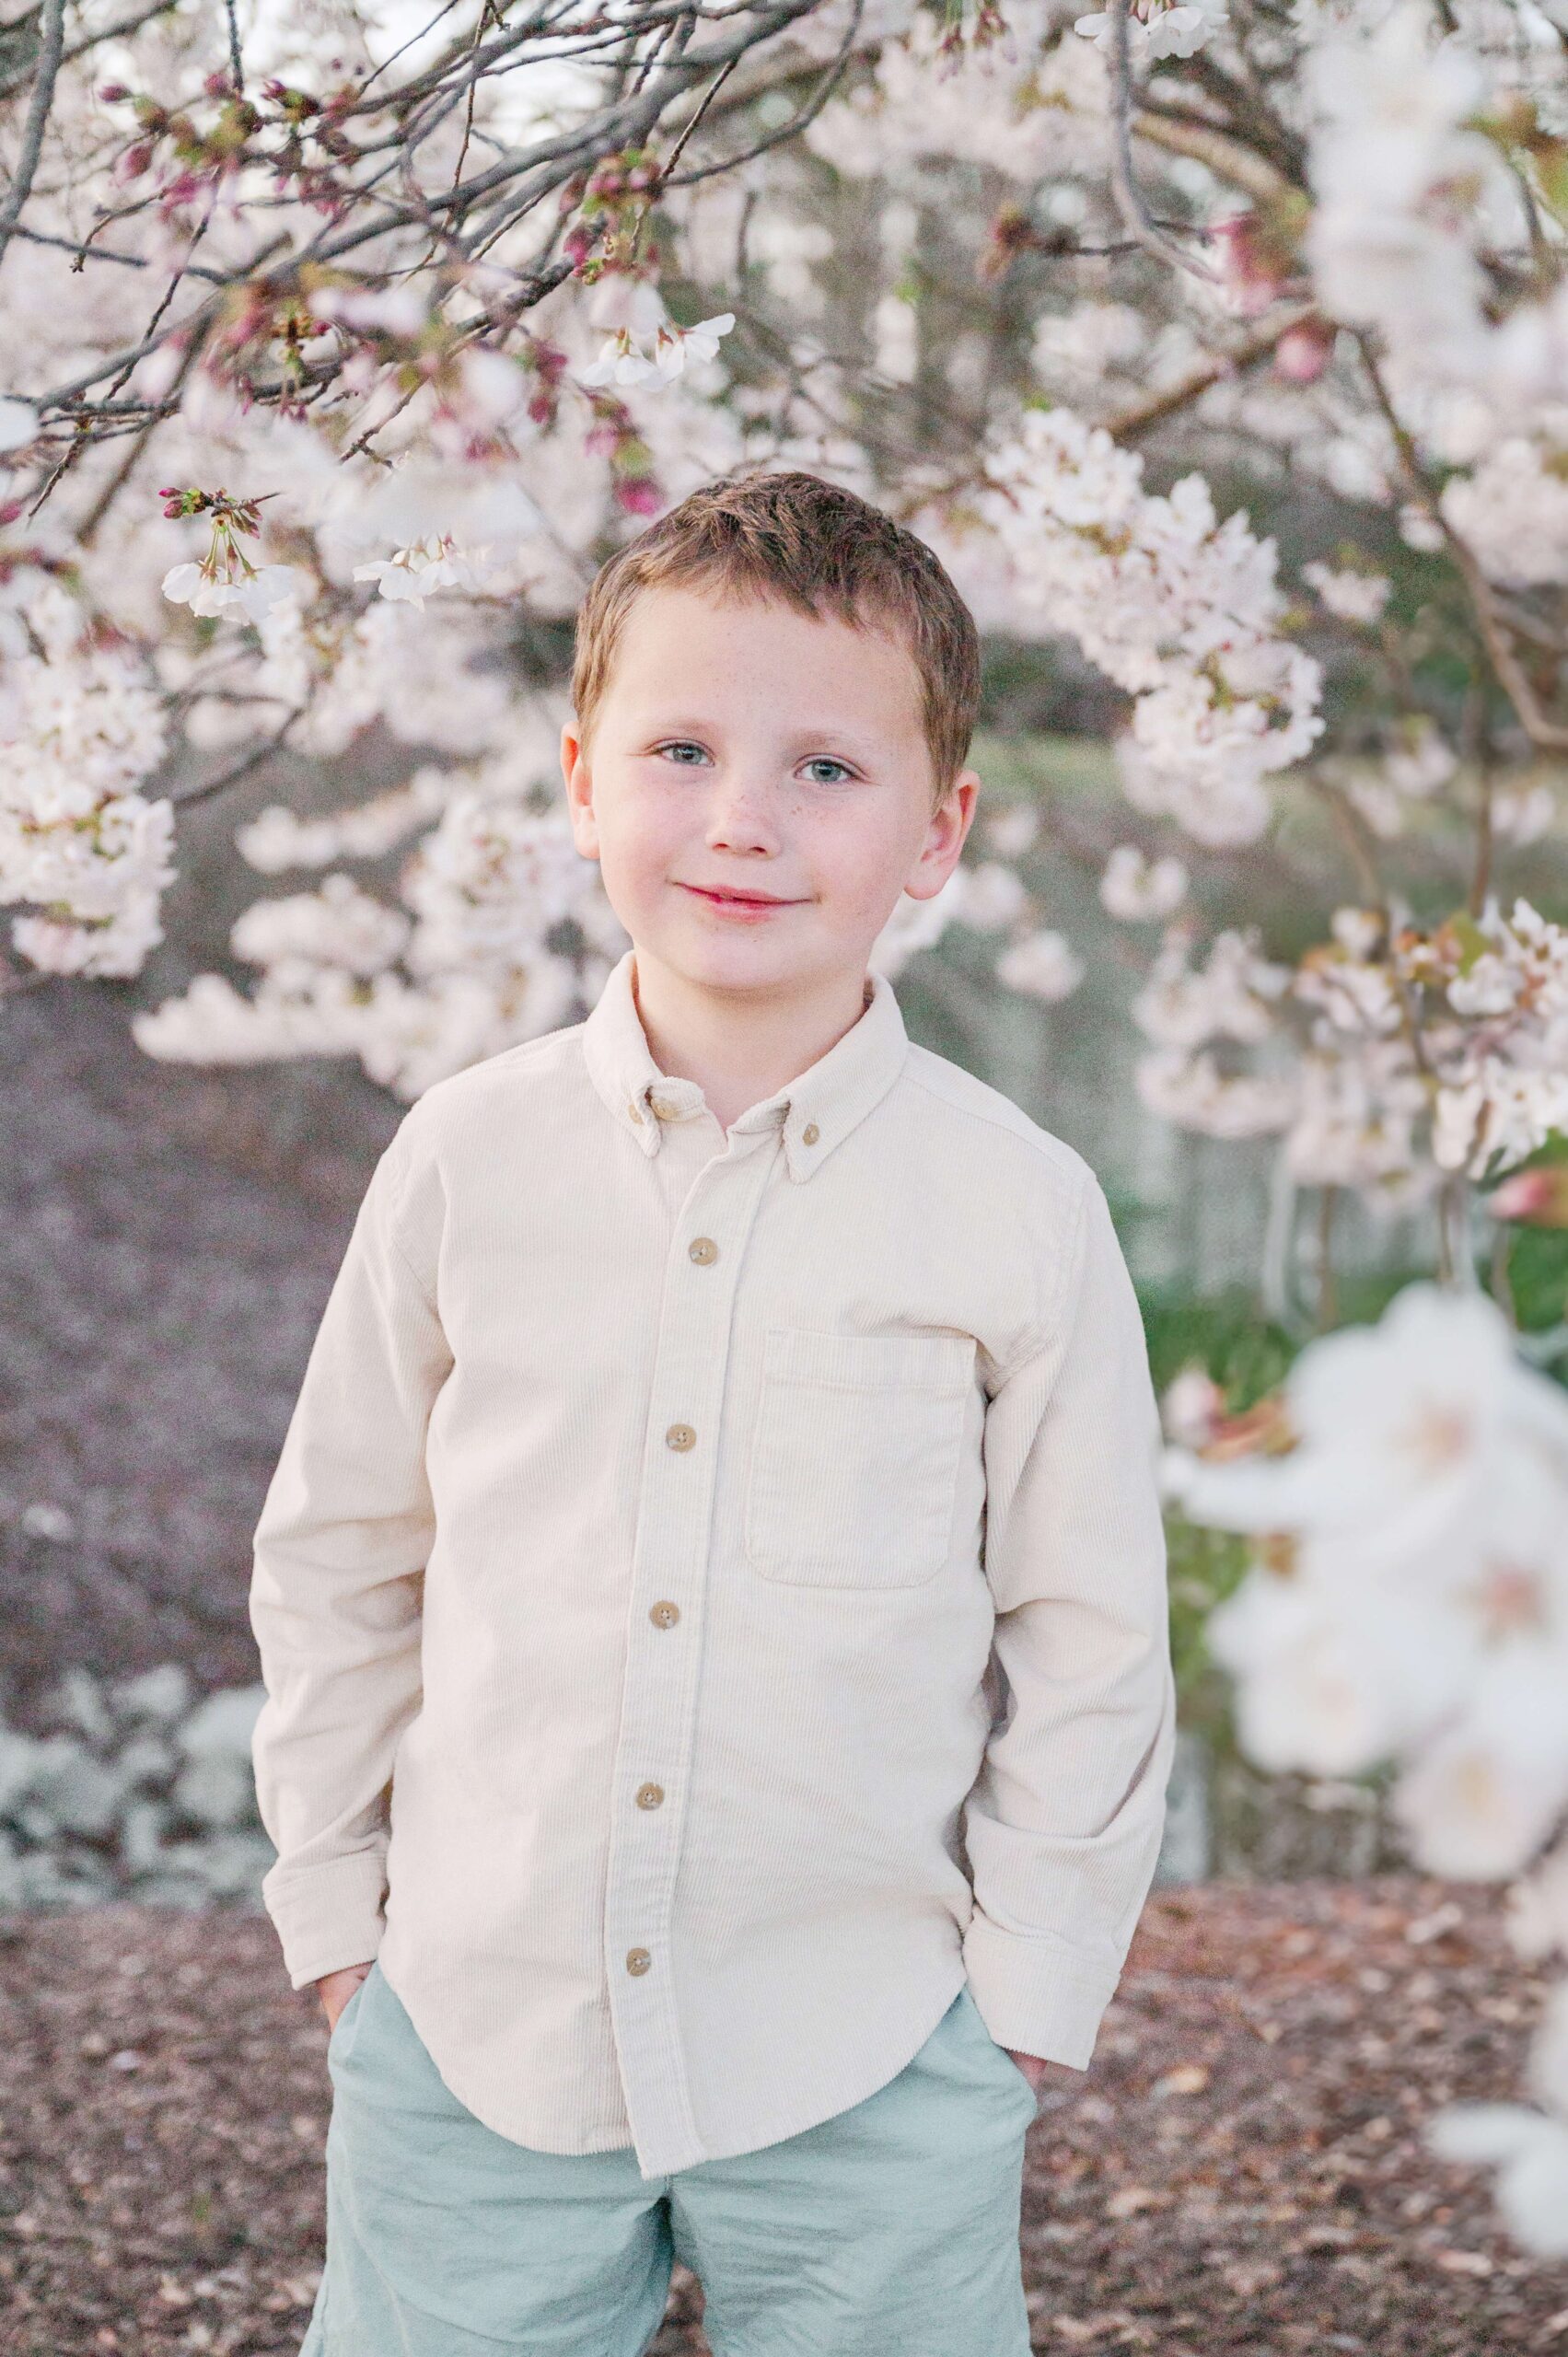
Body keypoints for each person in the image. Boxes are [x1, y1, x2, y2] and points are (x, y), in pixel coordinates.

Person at [250, 465, 1178, 2357]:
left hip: (867, 2044)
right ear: (584, 780)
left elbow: (1090, 1631)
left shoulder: (1016, 1203)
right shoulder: (465, 1156)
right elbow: (343, 1551)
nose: (744, 819)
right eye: (682, 747)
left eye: (829, 769)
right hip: (471, 2030)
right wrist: (340, 1914)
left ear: (942, 827)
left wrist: (1023, 1987)